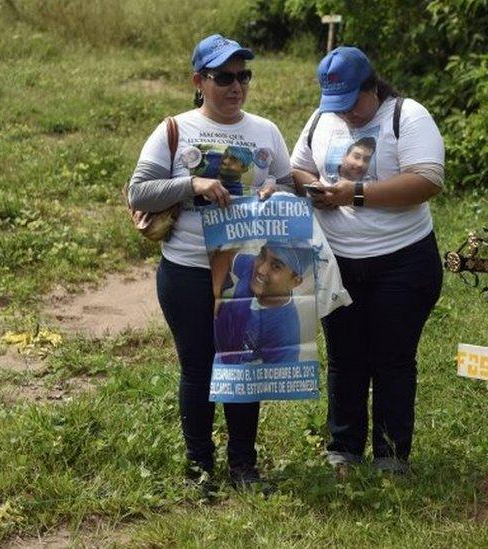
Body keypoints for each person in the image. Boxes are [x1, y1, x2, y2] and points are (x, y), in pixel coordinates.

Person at [126, 33, 294, 490]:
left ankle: (243, 466)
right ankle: (200, 467)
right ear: (199, 81)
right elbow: (138, 192)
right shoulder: (174, 130)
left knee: (241, 365)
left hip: (245, 268)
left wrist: (276, 190)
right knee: (198, 366)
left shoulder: (266, 131)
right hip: (186, 270)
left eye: (244, 76)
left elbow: (289, 184)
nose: (236, 86)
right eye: (224, 77)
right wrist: (191, 185)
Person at [290, 47, 445, 475]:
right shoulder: (322, 120)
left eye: (353, 104)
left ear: (372, 87)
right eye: (337, 106)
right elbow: (296, 169)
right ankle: (344, 448)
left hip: (403, 261)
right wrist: (316, 187)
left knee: (393, 357)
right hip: (338, 261)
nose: (348, 116)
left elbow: (427, 180)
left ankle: (392, 455)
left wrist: (354, 194)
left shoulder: (407, 116)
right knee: (344, 355)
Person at [214, 242, 313, 365]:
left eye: (276, 266)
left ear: (295, 281)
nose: (261, 269)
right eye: (262, 255)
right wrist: (216, 290)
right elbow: (226, 256)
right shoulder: (252, 265)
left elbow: (279, 379)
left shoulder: (285, 332)